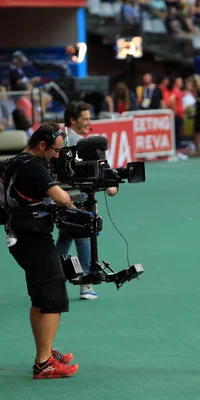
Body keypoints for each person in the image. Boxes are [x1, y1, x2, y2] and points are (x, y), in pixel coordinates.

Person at [1, 122, 79, 379]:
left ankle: (44, 352)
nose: (57, 155)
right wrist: (73, 198)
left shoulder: (15, 162)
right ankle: (44, 363)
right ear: (42, 145)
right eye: (55, 150)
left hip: (20, 238)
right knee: (53, 298)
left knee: (39, 298)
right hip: (32, 238)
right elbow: (62, 198)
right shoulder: (34, 166)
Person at [55, 101, 118, 300]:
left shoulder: (64, 139)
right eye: (86, 119)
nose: (89, 122)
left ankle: (52, 279)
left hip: (64, 198)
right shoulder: (77, 144)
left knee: (65, 238)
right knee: (84, 237)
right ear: (73, 120)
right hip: (74, 199)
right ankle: (87, 284)